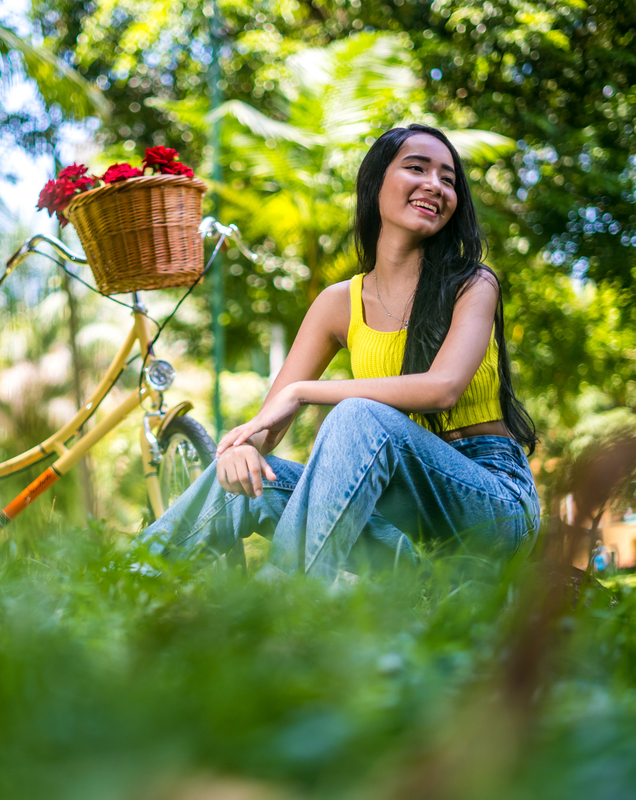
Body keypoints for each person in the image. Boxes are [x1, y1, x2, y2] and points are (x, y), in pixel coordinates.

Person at [138, 124, 542, 582]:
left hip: (491, 508)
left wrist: (304, 392)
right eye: (417, 168)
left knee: (357, 414)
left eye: (448, 179)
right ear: (376, 184)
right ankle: (120, 582)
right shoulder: (338, 303)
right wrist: (240, 450)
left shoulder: (472, 284)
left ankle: (283, 605)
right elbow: (267, 427)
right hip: (399, 530)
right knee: (239, 481)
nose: (435, 185)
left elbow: (443, 388)